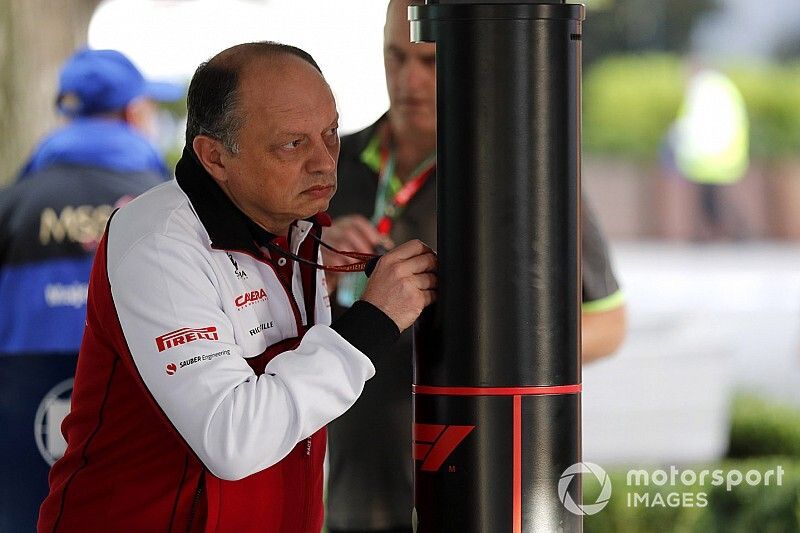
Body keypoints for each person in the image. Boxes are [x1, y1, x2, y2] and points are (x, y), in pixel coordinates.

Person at [37, 42, 437, 533]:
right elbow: (233, 438)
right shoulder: (158, 241)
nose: (324, 162)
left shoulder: (294, 227)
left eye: (330, 134)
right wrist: (374, 320)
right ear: (215, 156)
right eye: (292, 144)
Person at [323, 1, 627, 532]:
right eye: (395, 58)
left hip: (479, 489)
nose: (409, 80)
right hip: (353, 494)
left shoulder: (526, 171)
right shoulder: (327, 168)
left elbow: (608, 323)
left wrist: (492, 341)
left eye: (431, 62)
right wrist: (314, 273)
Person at [0, 48, 182, 532]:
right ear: (131, 111)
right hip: (134, 409)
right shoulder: (165, 203)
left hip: (17, 419)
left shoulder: (13, 204)